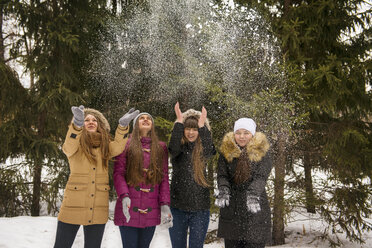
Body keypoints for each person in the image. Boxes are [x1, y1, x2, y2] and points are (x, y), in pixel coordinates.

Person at [54, 105, 139, 248]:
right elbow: (68, 146)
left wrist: (123, 126)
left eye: (94, 120)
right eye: (86, 120)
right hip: (72, 206)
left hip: (98, 207)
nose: (91, 122)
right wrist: (77, 125)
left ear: (100, 125)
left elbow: (119, 146)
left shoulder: (105, 146)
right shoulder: (74, 144)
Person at [113, 112, 172, 248]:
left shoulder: (160, 147)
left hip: (151, 209)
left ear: (152, 125)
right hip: (129, 206)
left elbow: (163, 178)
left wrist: (164, 203)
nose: (145, 120)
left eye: (148, 119)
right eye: (141, 118)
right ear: (135, 125)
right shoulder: (125, 145)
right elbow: (118, 173)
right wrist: (124, 196)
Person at [215, 117, 272, 248]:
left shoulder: (263, 152)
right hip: (232, 210)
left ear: (252, 134)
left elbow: (261, 176)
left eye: (246, 133)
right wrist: (223, 189)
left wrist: (253, 194)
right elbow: (222, 175)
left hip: (254, 207)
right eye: (238, 133)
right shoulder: (226, 152)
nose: (241, 136)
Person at [168, 102, 216, 248]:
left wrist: (202, 127)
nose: (190, 132)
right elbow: (172, 148)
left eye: (194, 129)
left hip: (200, 210)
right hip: (177, 208)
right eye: (187, 128)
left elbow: (210, 149)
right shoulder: (178, 150)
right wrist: (178, 122)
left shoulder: (203, 151)